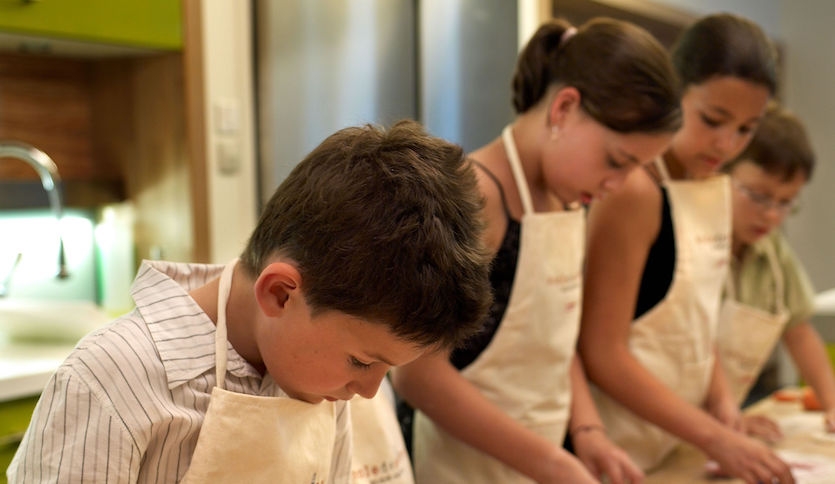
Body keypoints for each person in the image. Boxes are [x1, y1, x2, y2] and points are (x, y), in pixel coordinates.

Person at [6, 120, 493, 484]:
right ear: (280, 294)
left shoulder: (321, 380)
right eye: (363, 362)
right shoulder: (112, 382)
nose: (368, 392)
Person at [392, 17, 681, 484]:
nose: (617, 185)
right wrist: (550, 462)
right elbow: (417, 375)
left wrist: (587, 431)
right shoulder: (477, 194)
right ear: (565, 108)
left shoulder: (564, 197)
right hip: (460, 469)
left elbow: (553, 333)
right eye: (616, 161)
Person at [577, 12, 796, 484]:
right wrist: (714, 438)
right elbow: (602, 351)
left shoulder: (715, 184)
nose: (726, 143)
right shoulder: (635, 190)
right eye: (714, 119)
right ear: (674, 92)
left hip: (675, 445)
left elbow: (693, 320)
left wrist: (720, 400)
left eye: (746, 129)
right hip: (615, 452)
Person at [718, 105, 835, 442]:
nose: (770, 215)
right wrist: (722, 422)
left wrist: (831, 404)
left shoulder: (773, 254)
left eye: (786, 203)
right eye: (758, 196)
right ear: (721, 173)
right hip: (666, 424)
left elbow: (798, 331)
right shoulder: (692, 245)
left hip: (722, 425)